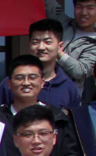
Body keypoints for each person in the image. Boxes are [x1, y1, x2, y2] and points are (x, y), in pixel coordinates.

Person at [0, 55, 87, 156]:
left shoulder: (58, 119)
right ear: (9, 84)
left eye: (32, 77)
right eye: (19, 78)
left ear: (42, 82)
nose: (26, 83)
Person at [28, 19, 92, 149]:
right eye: (36, 42)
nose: (41, 47)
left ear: (60, 46)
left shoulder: (69, 88)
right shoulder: (12, 85)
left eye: (48, 42)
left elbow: (73, 132)